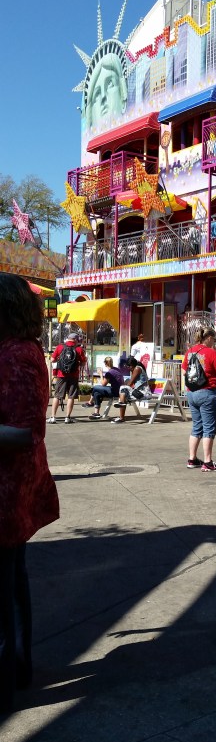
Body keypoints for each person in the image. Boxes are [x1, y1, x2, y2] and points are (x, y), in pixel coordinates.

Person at [0, 273, 59, 714]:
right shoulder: (21, 351)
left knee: (4, 586)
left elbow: (22, 432)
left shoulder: (15, 356)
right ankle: (17, 667)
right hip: (14, 489)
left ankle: (8, 675)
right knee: (11, 581)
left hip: (7, 489)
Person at [182, 326, 216, 471]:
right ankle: (207, 462)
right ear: (208, 338)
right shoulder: (211, 352)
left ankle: (192, 458)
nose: (214, 342)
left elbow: (183, 371)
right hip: (207, 392)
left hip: (191, 392)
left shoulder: (190, 352)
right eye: (214, 339)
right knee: (209, 428)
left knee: (196, 427)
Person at [48, 331, 87, 424]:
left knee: (57, 395)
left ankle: (53, 417)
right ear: (75, 340)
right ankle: (67, 417)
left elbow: (52, 360)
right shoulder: (79, 349)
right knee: (71, 397)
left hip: (61, 375)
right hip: (73, 375)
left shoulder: (60, 347)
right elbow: (83, 363)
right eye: (77, 340)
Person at [112, 357, 152, 423]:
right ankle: (121, 411)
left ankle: (121, 417)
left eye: (128, 367)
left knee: (123, 390)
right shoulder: (136, 368)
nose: (128, 369)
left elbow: (130, 383)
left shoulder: (137, 368)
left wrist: (124, 388)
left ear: (131, 365)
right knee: (123, 394)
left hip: (144, 393)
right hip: (138, 392)